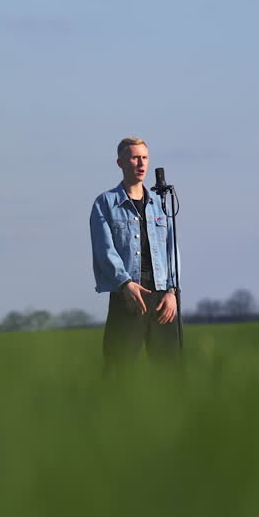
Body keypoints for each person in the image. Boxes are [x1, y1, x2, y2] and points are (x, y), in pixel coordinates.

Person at [90, 137, 180, 372]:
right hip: (128, 295)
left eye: (145, 158)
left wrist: (172, 292)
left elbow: (172, 250)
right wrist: (126, 284)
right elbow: (104, 250)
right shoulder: (105, 203)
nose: (141, 163)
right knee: (118, 369)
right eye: (134, 157)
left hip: (163, 296)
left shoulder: (160, 204)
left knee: (171, 372)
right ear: (120, 163)